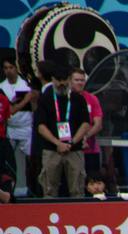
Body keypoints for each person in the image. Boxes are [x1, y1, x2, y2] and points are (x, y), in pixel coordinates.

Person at [34, 63, 89, 198]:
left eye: (64, 80)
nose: (61, 84)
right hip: (51, 149)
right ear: (53, 79)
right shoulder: (45, 98)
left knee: (77, 189)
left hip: (74, 149)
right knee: (49, 189)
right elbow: (41, 126)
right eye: (58, 80)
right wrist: (57, 143)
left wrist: (72, 142)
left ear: (69, 79)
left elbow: (85, 123)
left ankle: (78, 211)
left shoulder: (78, 98)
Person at [2, 55, 34, 191]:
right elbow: (8, 111)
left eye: (11, 67)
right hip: (11, 128)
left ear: (16, 68)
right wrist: (24, 100)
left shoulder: (26, 85)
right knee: (10, 162)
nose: (9, 70)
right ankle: (11, 189)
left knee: (31, 162)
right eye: (6, 68)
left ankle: (31, 188)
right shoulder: (1, 87)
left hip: (26, 127)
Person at [68, 69, 102, 176]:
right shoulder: (65, 98)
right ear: (70, 81)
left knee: (92, 180)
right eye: (76, 80)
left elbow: (98, 124)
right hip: (70, 148)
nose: (80, 83)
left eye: (82, 80)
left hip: (90, 149)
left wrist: (85, 136)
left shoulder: (92, 98)